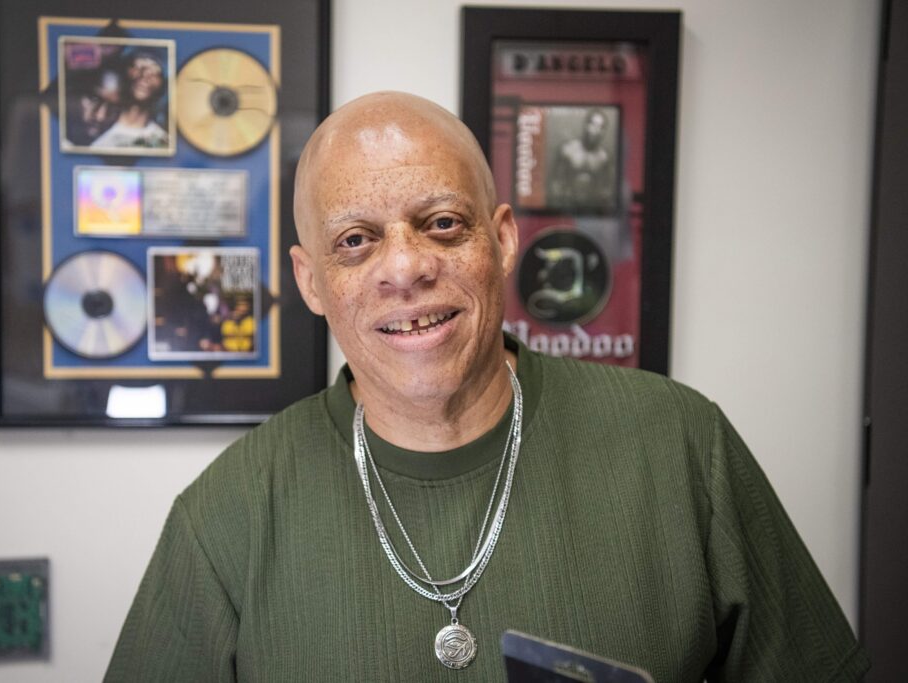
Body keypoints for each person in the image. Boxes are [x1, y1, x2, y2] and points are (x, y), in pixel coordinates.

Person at [106, 92, 867, 681]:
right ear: (311, 281)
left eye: (441, 223)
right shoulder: (226, 516)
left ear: (501, 240)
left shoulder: (681, 445)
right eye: (356, 240)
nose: (405, 268)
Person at [91, 50, 169, 150]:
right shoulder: (94, 129)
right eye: (138, 67)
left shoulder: (161, 142)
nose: (144, 76)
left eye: (155, 71)